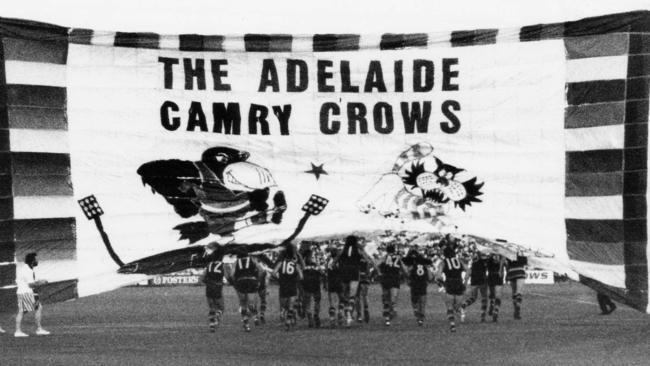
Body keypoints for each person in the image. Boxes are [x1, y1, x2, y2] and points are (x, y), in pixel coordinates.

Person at [336, 235, 376, 327]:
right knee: (352, 296)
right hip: (354, 273)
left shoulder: (343, 251)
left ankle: (344, 313)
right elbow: (368, 261)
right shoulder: (358, 251)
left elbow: (334, 263)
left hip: (344, 274)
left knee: (345, 296)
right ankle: (349, 315)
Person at [15, 252, 49, 337]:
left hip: (23, 292)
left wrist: (39, 281)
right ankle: (38, 329)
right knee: (35, 308)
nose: (37, 261)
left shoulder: (26, 269)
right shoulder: (28, 270)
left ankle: (19, 331)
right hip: (26, 293)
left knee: (25, 311)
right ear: (32, 261)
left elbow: (30, 282)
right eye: (36, 259)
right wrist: (41, 282)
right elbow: (30, 284)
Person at [436, 246, 468, 332]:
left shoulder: (443, 262)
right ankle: (460, 311)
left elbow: (438, 275)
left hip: (449, 283)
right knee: (457, 305)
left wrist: (441, 284)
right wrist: (465, 282)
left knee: (449, 306)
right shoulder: (459, 261)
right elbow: (468, 270)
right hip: (459, 283)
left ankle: (452, 324)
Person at [273, 244, 303, 331]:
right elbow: (301, 276)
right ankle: (288, 321)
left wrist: (279, 278)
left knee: (284, 305)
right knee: (291, 305)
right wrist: (295, 278)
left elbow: (274, 273)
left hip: (283, 285)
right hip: (292, 285)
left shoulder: (281, 263)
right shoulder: (295, 264)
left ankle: (284, 315)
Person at [233, 250, 263, 332]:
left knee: (243, 303)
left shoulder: (236, 262)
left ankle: (246, 325)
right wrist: (257, 279)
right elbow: (261, 270)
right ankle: (255, 317)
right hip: (251, 281)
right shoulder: (252, 260)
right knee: (251, 302)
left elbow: (232, 274)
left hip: (241, 281)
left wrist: (235, 281)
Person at [379, 243, 407, 326]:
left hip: (385, 278)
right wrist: (407, 276)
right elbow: (404, 269)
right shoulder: (398, 258)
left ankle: (387, 316)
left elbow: (377, 264)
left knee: (386, 297)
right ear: (394, 250)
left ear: (387, 250)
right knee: (393, 298)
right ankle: (392, 310)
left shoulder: (384, 258)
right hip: (395, 279)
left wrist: (379, 272)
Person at [199, 245, 226, 332]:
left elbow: (201, 279)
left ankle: (212, 325)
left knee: (211, 308)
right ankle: (217, 316)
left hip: (209, 288)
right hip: (218, 287)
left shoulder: (209, 265)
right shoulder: (222, 265)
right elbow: (228, 276)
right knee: (221, 307)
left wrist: (208, 282)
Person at [404, 248, 433, 326]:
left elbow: (407, 274)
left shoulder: (412, 266)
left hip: (414, 284)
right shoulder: (425, 266)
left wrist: (408, 280)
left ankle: (415, 309)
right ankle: (421, 319)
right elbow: (430, 277)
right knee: (422, 302)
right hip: (423, 284)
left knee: (414, 300)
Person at [460, 251, 489, 322]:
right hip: (482, 281)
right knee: (484, 298)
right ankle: (483, 315)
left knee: (473, 298)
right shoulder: (484, 261)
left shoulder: (473, 262)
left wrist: (465, 282)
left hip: (474, 281)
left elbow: (469, 272)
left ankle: (464, 304)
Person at [302, 247, 323, 328]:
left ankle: (314, 316)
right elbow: (321, 273)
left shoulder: (304, 265)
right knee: (311, 302)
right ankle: (313, 317)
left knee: (312, 302)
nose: (311, 257)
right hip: (312, 285)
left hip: (312, 286)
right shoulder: (314, 265)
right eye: (311, 256)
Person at [325, 247, 345, 327]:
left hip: (331, 282)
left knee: (332, 302)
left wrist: (325, 283)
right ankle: (340, 312)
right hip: (339, 282)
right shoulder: (340, 261)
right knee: (342, 298)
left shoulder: (328, 261)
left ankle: (332, 319)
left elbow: (326, 272)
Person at [506, 252, 528, 320]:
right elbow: (525, 264)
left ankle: (516, 310)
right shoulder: (523, 254)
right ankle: (517, 309)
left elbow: (507, 265)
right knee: (519, 292)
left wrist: (507, 274)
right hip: (520, 272)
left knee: (514, 293)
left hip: (511, 272)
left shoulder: (509, 254)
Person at [486, 253, 506, 322]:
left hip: (491, 276)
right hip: (497, 276)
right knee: (497, 296)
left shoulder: (490, 257)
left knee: (493, 294)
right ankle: (495, 310)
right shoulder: (501, 257)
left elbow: (486, 266)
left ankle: (492, 305)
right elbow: (505, 265)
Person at [355, 256, 372, 323]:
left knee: (357, 296)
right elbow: (369, 270)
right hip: (364, 278)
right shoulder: (366, 257)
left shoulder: (355, 256)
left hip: (357, 278)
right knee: (364, 295)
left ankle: (359, 315)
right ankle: (366, 311)